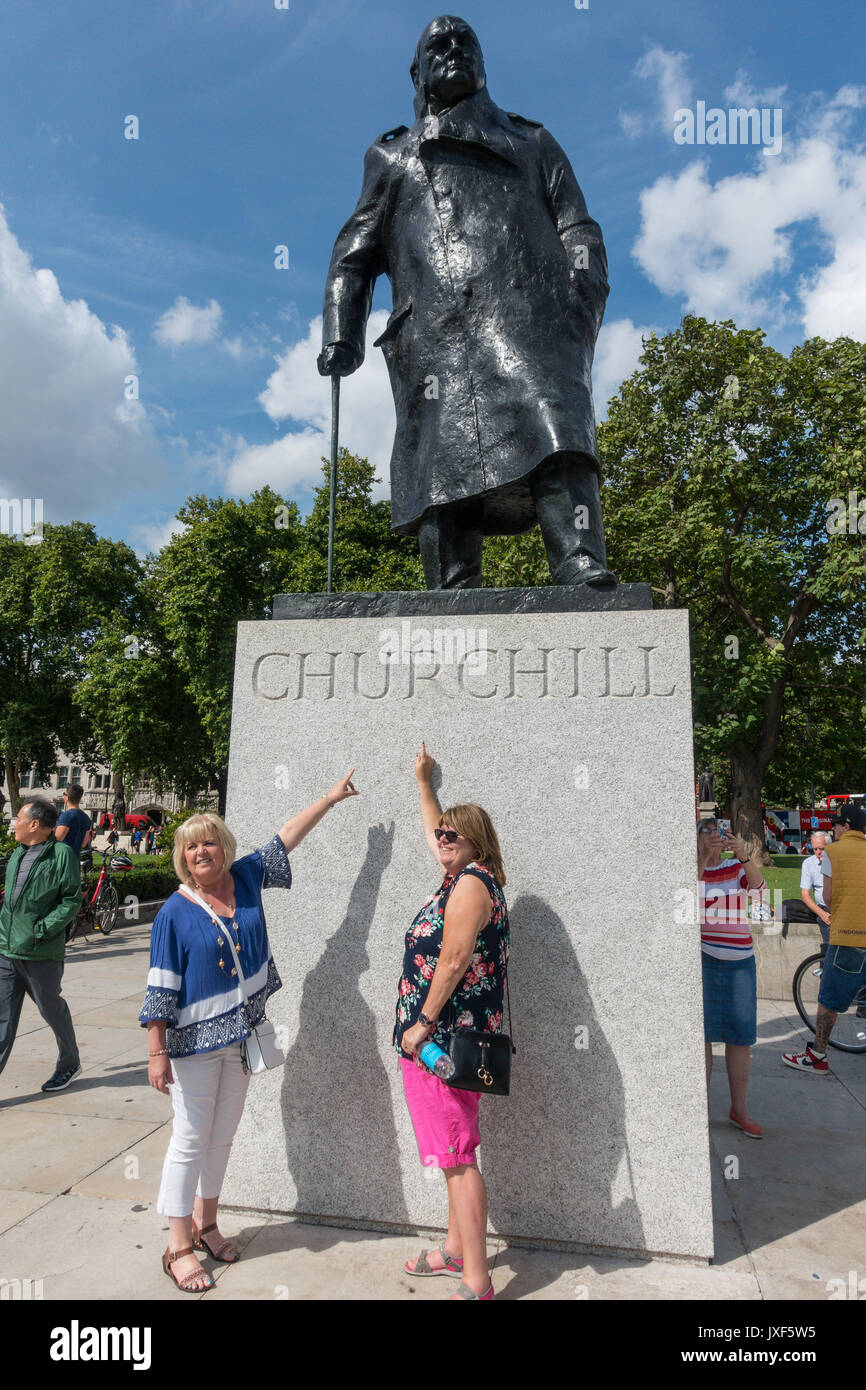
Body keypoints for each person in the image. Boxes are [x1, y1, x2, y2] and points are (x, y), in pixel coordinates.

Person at [319, 15, 615, 591]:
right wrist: (342, 332)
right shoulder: (392, 159)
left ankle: (579, 563)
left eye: (466, 43)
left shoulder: (532, 142)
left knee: (558, 428)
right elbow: (353, 254)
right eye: (439, 45)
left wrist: (579, 300)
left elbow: (579, 228)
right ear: (418, 71)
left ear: (483, 63)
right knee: (441, 462)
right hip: (436, 332)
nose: (454, 51)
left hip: (531, 320)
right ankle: (452, 587)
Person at [140, 771, 359, 1293]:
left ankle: (207, 1223)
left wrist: (328, 798)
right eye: (191, 847)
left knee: (223, 1135)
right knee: (190, 1138)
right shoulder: (174, 913)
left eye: (209, 842)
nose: (201, 852)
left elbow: (287, 836)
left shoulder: (247, 877)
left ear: (224, 846)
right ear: (182, 856)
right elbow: (160, 988)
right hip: (192, 1044)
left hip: (241, 1037)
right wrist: (156, 1052)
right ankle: (177, 1246)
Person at [396, 743, 509, 1301]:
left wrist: (421, 1024)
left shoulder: (470, 884)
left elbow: (454, 960)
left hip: (440, 1040)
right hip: (445, 1042)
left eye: (452, 835)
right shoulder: (461, 877)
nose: (441, 839)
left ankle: (476, 1281)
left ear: (476, 844)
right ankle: (454, 1251)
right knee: (450, 1153)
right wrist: (423, 783)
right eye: (440, 833)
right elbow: (432, 829)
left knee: (459, 1157)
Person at [0, 800, 82, 1091]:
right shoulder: (15, 856)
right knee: (2, 1021)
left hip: (41, 953)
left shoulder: (61, 855)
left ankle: (70, 1062)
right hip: (8, 953)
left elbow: (72, 900)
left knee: (51, 1012)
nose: (14, 823)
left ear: (34, 824)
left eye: (18, 818)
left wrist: (41, 930)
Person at [783, 805, 866, 1074]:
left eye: (835, 826)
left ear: (845, 827)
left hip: (850, 934)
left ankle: (817, 1055)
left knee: (829, 998)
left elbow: (828, 897)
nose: (833, 830)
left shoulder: (834, 852)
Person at [698, 818, 767, 1138]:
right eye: (706, 831)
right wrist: (701, 858)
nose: (714, 836)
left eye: (718, 831)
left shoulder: (736, 867)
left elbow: (760, 892)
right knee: (704, 1037)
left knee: (740, 1036)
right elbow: (687, 898)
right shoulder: (693, 868)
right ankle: (700, 1111)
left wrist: (743, 855)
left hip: (740, 961)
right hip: (705, 959)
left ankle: (739, 1108)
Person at [799, 832, 830, 949]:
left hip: (840, 906)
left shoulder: (837, 861)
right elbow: (805, 895)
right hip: (823, 908)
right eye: (815, 849)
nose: (818, 852)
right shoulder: (808, 863)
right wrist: (822, 914)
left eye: (821, 848)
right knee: (829, 945)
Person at [54, 784, 92, 860]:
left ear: (67, 797)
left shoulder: (66, 816)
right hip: (75, 862)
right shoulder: (86, 818)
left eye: (64, 794)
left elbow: (57, 840)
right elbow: (84, 844)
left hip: (62, 861)